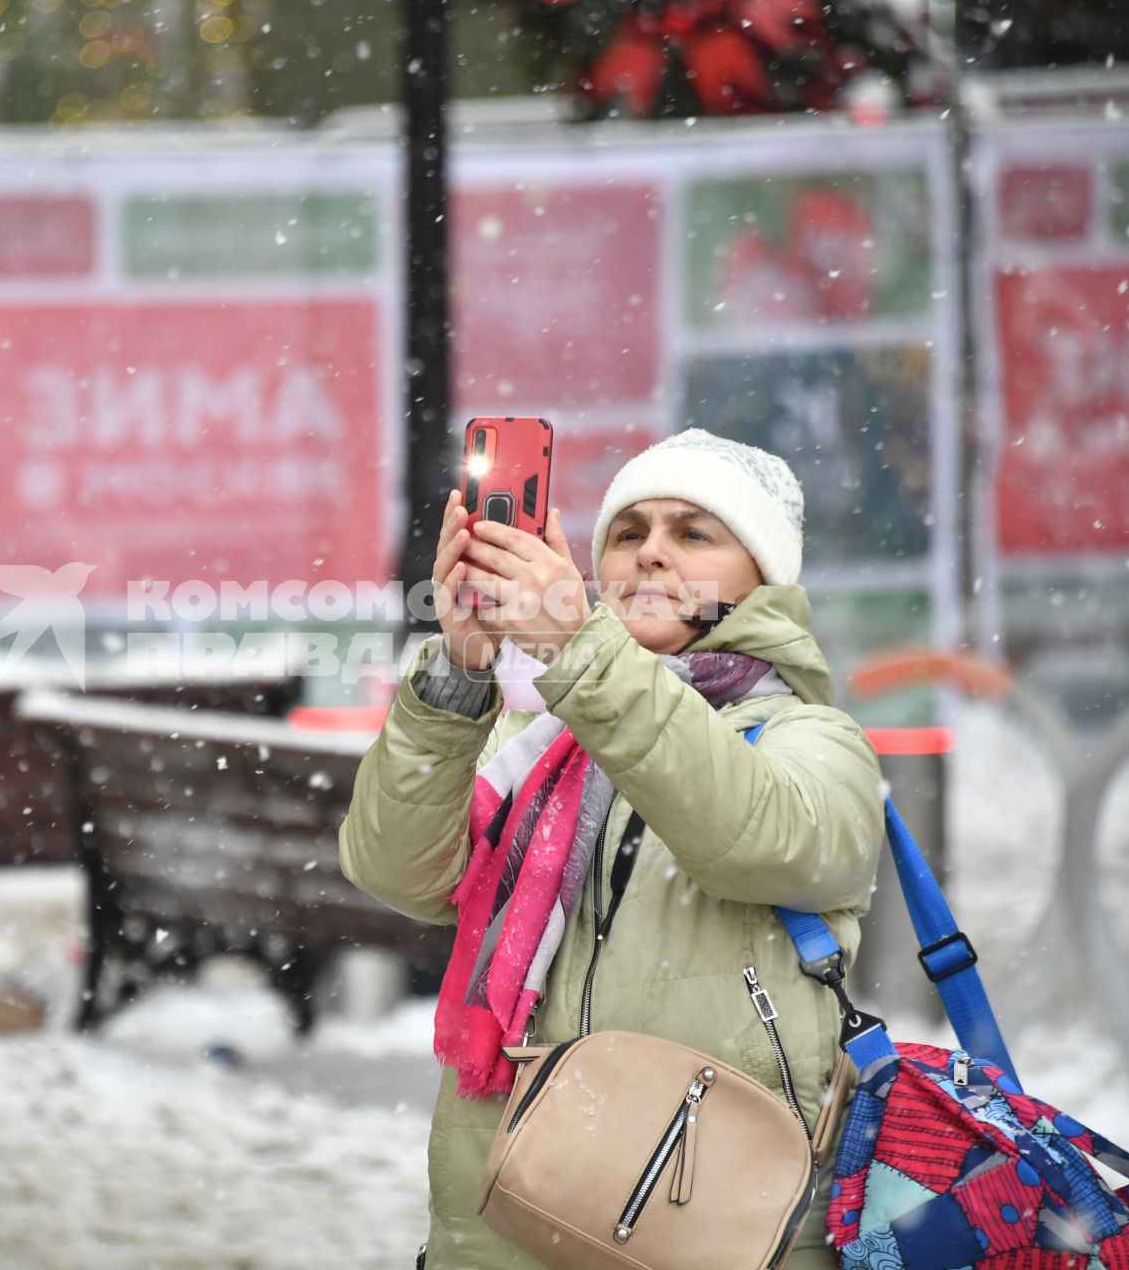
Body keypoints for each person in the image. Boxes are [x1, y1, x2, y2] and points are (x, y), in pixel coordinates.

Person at [339, 429, 883, 1270]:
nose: (651, 555)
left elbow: (754, 835)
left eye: (692, 533)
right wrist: (459, 673)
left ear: (763, 576)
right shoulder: (541, 739)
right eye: (628, 534)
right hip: (508, 1228)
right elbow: (395, 871)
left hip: (715, 1236)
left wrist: (578, 653)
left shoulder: (812, 737)